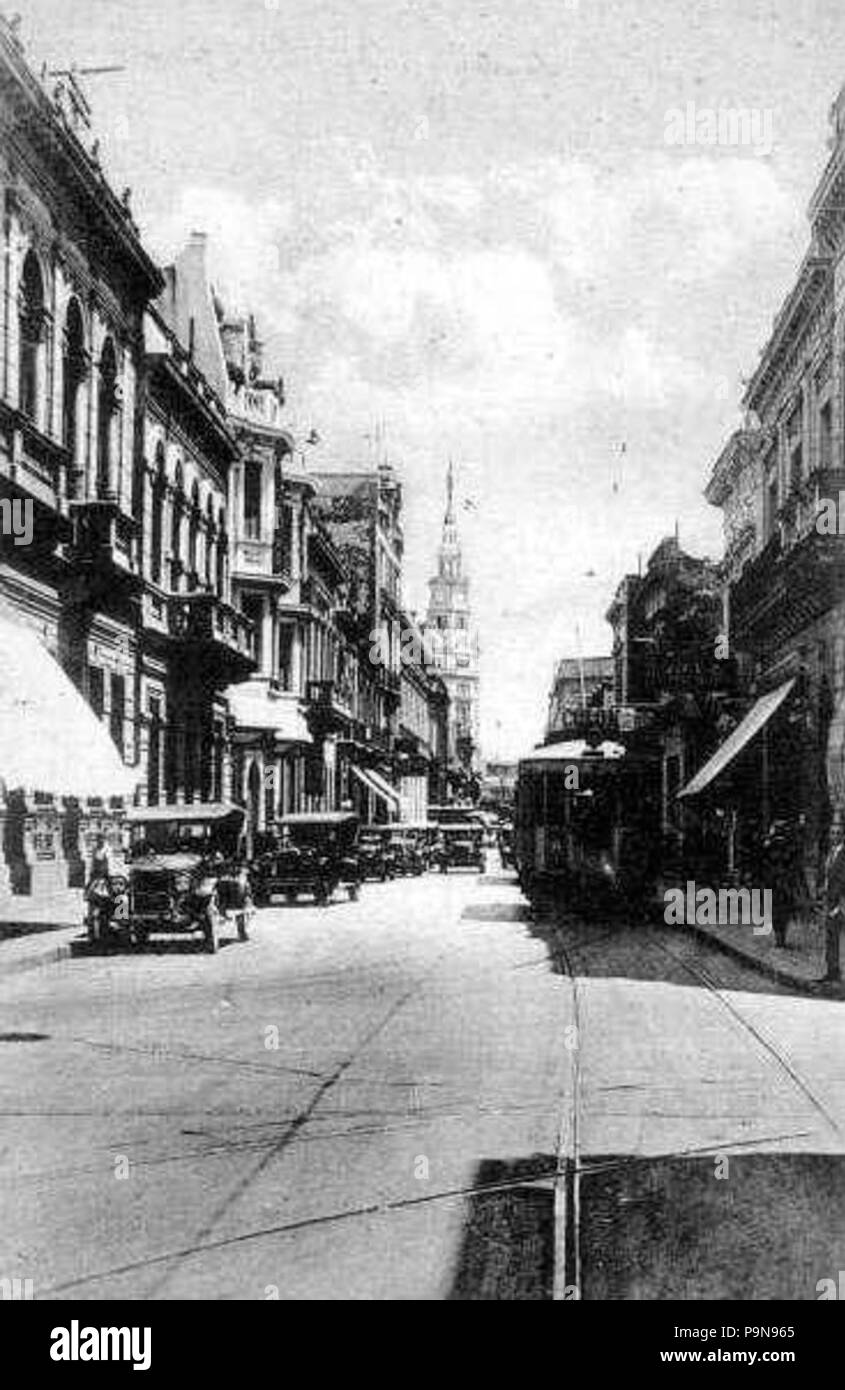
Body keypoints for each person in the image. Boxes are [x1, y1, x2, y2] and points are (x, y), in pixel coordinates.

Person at [824, 824, 845, 983]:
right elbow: (828, 876)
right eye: (832, 833)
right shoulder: (830, 853)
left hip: (840, 904)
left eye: (838, 833)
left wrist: (840, 905)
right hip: (830, 901)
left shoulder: (843, 854)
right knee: (831, 938)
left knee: (835, 936)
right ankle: (832, 972)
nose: (834, 836)